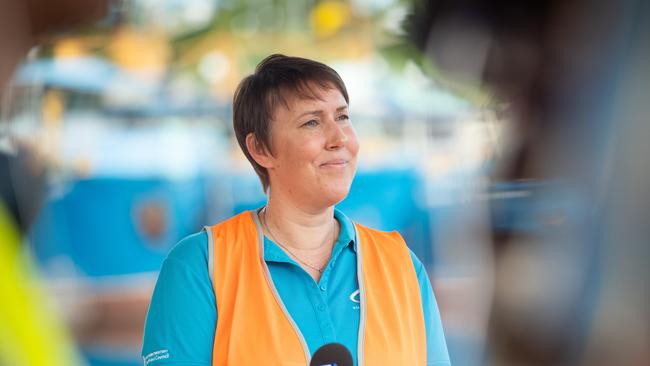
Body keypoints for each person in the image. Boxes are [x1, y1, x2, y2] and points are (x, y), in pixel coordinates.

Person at [141, 54, 451, 366]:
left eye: (343, 117)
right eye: (312, 122)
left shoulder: (402, 265)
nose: (339, 138)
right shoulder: (200, 267)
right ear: (261, 149)